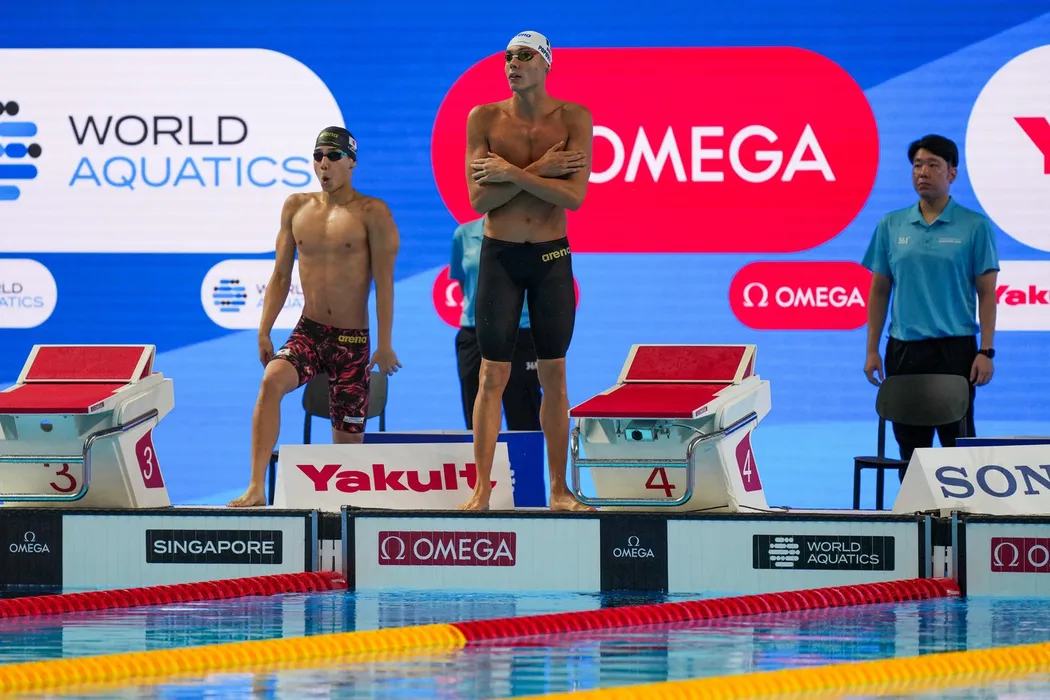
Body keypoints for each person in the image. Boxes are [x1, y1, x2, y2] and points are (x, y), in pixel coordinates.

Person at [228, 126, 402, 508]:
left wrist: (385, 343)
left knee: (347, 446)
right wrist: (264, 330)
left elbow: (385, 283)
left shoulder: (373, 213)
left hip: (352, 341)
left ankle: (345, 511)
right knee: (271, 381)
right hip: (309, 331)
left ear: (352, 163)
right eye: (318, 155)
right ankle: (256, 487)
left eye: (334, 156)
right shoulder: (296, 207)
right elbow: (280, 275)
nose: (324, 163)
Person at [459, 30, 593, 511]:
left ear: (546, 63)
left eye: (523, 56)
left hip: (551, 258)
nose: (511, 64)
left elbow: (573, 197)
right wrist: (541, 170)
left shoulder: (574, 117)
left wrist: (512, 172)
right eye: (507, 57)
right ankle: (481, 490)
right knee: (491, 376)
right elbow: (479, 201)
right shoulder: (484, 118)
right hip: (501, 258)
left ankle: (559, 490)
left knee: (554, 375)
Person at [861, 134, 999, 478]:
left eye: (933, 165)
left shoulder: (975, 225)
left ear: (952, 173)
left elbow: (987, 293)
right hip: (904, 350)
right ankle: (914, 510)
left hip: (956, 350)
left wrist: (986, 350)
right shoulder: (891, 225)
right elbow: (879, 290)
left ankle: (962, 511)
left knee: (959, 449)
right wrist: (872, 350)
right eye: (917, 165)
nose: (922, 172)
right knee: (910, 453)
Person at [450, 216, 542, 431]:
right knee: (476, 420)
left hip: (521, 333)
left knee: (524, 419)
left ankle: (525, 457)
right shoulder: (464, 234)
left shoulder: (534, 233)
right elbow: (464, 282)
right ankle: (480, 456)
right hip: (474, 335)